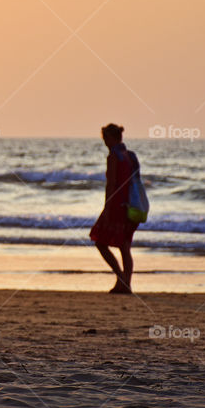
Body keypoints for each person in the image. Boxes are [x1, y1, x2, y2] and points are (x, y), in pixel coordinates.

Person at [90, 123, 139, 294]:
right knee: (125, 246)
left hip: (116, 205)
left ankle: (121, 278)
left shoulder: (113, 157)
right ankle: (126, 283)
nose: (104, 142)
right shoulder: (130, 156)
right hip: (130, 206)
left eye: (105, 138)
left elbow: (111, 184)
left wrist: (107, 206)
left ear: (112, 138)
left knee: (99, 242)